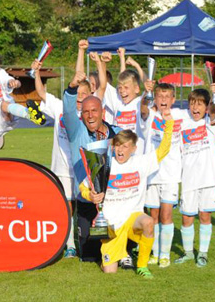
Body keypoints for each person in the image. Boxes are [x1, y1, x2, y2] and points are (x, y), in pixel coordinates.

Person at [33, 40, 107, 258]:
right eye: (79, 94)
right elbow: (41, 93)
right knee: (67, 205)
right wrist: (36, 73)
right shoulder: (60, 107)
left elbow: (100, 87)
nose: (81, 98)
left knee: (86, 203)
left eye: (85, 94)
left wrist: (83, 52)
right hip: (62, 166)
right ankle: (69, 245)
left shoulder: (89, 111)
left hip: (82, 167)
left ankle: (87, 239)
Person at [79, 110, 174, 279]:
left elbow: (163, 150)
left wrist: (169, 125)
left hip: (132, 219)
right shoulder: (104, 165)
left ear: (133, 148)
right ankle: (113, 257)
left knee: (148, 222)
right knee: (110, 271)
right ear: (113, 147)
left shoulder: (141, 162)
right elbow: (83, 186)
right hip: (111, 225)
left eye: (125, 146)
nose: (120, 150)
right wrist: (90, 196)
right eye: (117, 146)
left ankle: (142, 266)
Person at [63, 71, 121, 263]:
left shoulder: (117, 133)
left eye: (94, 111)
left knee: (118, 251)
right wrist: (72, 88)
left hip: (114, 202)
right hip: (87, 203)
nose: (90, 116)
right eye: (86, 112)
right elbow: (69, 111)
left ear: (102, 112)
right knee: (89, 256)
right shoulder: (76, 132)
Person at [140, 82, 186, 267]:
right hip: (152, 174)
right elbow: (143, 108)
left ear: (173, 99)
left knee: (167, 215)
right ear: (156, 99)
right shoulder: (150, 115)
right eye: (160, 96)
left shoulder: (181, 116)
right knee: (154, 216)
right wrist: (147, 91)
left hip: (171, 175)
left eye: (167, 97)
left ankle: (165, 254)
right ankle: (154, 253)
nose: (164, 100)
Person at [174, 88, 215, 267]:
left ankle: (203, 254)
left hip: (208, 180)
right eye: (192, 103)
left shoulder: (210, 123)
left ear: (207, 107)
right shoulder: (184, 121)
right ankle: (189, 252)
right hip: (189, 180)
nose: (195, 107)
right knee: (186, 218)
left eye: (199, 104)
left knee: (205, 216)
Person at [103, 53, 146, 153]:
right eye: (120, 88)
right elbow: (103, 83)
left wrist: (137, 66)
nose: (122, 91)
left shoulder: (140, 102)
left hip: (136, 156)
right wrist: (101, 63)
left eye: (126, 88)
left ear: (136, 89)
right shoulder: (118, 102)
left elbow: (148, 86)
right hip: (118, 155)